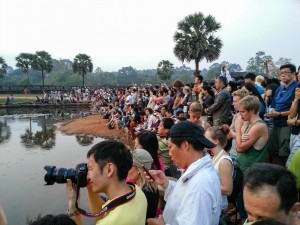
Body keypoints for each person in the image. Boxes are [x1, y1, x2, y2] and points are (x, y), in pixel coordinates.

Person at [147, 121, 222, 225]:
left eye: (170, 147)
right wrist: (166, 183)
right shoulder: (195, 172)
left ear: (185, 145)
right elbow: (184, 198)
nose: (169, 153)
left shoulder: (201, 184)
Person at [66, 140, 147, 225]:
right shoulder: (137, 192)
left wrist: (72, 204)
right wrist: (90, 188)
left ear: (109, 170)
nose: (88, 175)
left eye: (90, 169)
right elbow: (102, 216)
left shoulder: (111, 222)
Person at [265, 64, 298, 166]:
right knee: (273, 150)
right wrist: (272, 112)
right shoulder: (280, 88)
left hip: (286, 125)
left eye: (285, 73)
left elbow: (295, 110)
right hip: (275, 123)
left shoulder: (297, 88)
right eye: (281, 73)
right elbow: (274, 104)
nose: (282, 75)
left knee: (284, 153)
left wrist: (279, 114)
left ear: (293, 74)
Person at [205, 125, 233, 212]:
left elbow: (227, 190)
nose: (203, 141)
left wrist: (204, 183)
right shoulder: (215, 156)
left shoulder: (224, 161)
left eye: (206, 139)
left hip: (218, 206)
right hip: (213, 202)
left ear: (216, 141)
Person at [127, 149, 159, 220]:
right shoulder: (150, 187)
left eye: (129, 166)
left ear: (139, 169)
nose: (126, 169)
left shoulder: (144, 193)